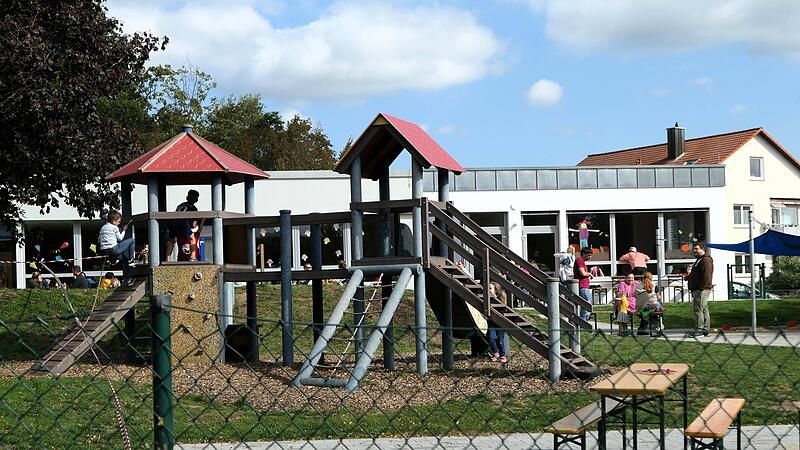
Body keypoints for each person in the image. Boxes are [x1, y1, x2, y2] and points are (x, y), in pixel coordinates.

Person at [167, 190, 202, 261]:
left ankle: (167, 259)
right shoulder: (193, 208)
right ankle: (193, 257)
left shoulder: (181, 205)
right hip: (183, 223)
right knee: (192, 238)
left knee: (171, 240)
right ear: (196, 199)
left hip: (172, 222)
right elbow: (193, 225)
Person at [687, 243, 713, 337]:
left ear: (703, 249)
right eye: (694, 249)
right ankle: (706, 330)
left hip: (701, 289)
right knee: (704, 308)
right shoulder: (699, 260)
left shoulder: (706, 260)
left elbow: (706, 275)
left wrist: (701, 288)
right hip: (698, 288)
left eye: (696, 249)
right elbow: (697, 274)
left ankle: (699, 330)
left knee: (698, 309)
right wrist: (689, 277)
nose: (694, 251)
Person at [486, 282, 509, 363]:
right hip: (491, 322)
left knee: (500, 339)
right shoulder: (487, 299)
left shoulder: (500, 298)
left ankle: (503, 355)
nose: (488, 290)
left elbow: (504, 308)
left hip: (500, 323)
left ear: (496, 290)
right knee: (491, 337)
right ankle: (496, 353)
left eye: (490, 288)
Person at [573, 247, 593, 320]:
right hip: (582, 286)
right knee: (585, 304)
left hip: (585, 286)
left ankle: (585, 320)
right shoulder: (580, 261)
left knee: (588, 304)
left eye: (591, 255)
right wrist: (590, 274)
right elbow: (583, 273)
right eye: (588, 255)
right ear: (583, 254)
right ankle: (583, 321)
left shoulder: (582, 261)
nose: (590, 257)